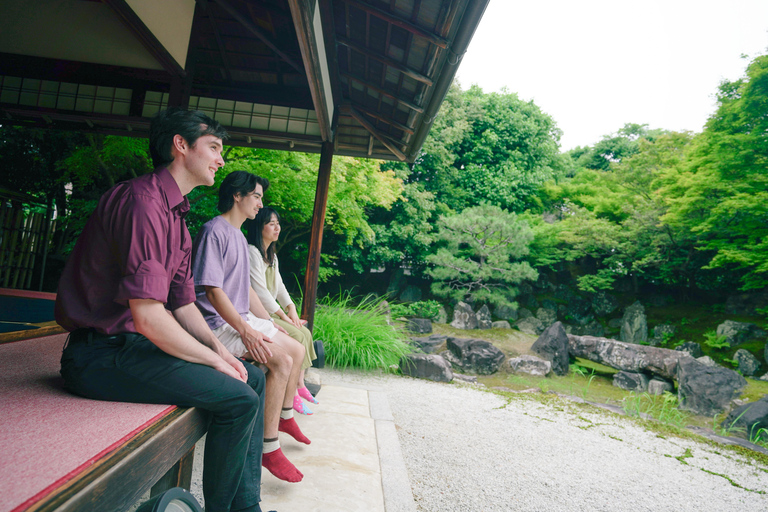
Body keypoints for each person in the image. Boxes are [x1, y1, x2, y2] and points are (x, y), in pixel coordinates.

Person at [55, 108, 270, 512]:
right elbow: (149, 317)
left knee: (252, 379)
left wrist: (224, 354)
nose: (221, 160)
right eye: (214, 147)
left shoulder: (176, 215)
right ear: (181, 145)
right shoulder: (142, 203)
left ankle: (246, 507)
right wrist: (214, 360)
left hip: (133, 349)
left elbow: (184, 305)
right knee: (239, 400)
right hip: (100, 356)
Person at [191, 171, 309, 484]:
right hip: (216, 325)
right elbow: (214, 292)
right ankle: (269, 446)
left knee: (295, 349)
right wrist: (246, 329)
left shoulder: (240, 237)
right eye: (256, 196)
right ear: (237, 196)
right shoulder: (213, 231)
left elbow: (248, 292)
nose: (260, 203)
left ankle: (282, 419)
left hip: (239, 318)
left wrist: (270, 324)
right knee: (281, 361)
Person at [245, 207, 319, 415]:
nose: (277, 227)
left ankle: (299, 385)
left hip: (273, 312)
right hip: (260, 313)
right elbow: (260, 292)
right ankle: (293, 393)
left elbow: (280, 287)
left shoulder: (272, 255)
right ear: (259, 227)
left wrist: (292, 309)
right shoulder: (252, 252)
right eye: (271, 223)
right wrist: (284, 316)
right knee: (296, 334)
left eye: (277, 223)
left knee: (303, 331)